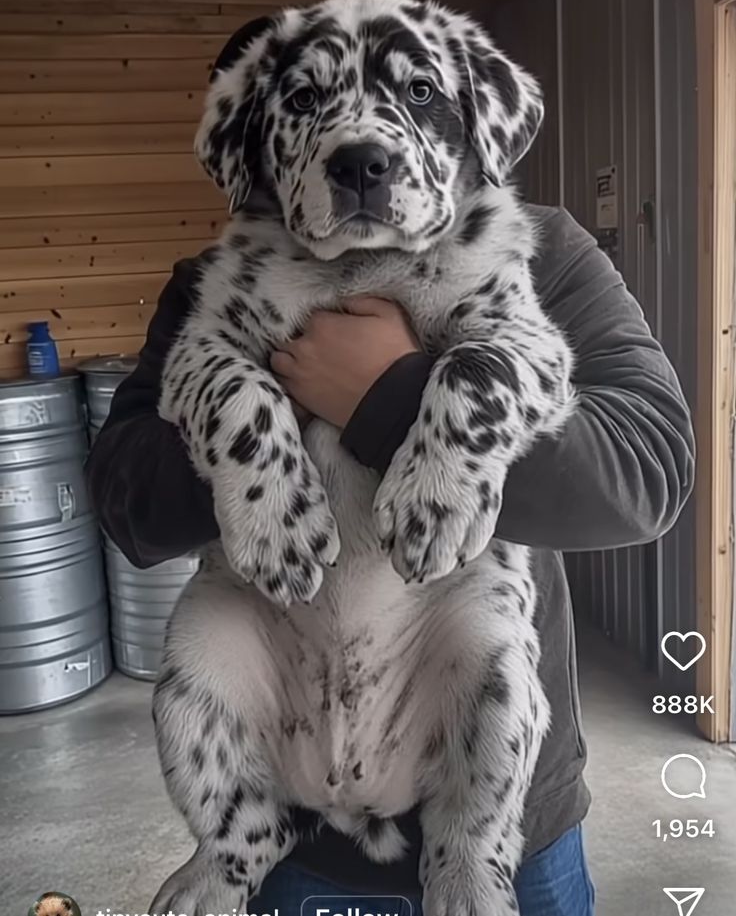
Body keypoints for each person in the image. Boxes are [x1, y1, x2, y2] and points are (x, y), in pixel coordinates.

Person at [85, 204, 695, 916]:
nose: (363, 141)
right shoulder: (220, 278)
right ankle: (235, 848)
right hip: (295, 814)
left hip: (509, 810)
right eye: (305, 98)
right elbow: (123, 497)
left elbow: (648, 466)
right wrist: (262, 405)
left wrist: (393, 396)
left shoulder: (536, 247)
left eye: (412, 91)